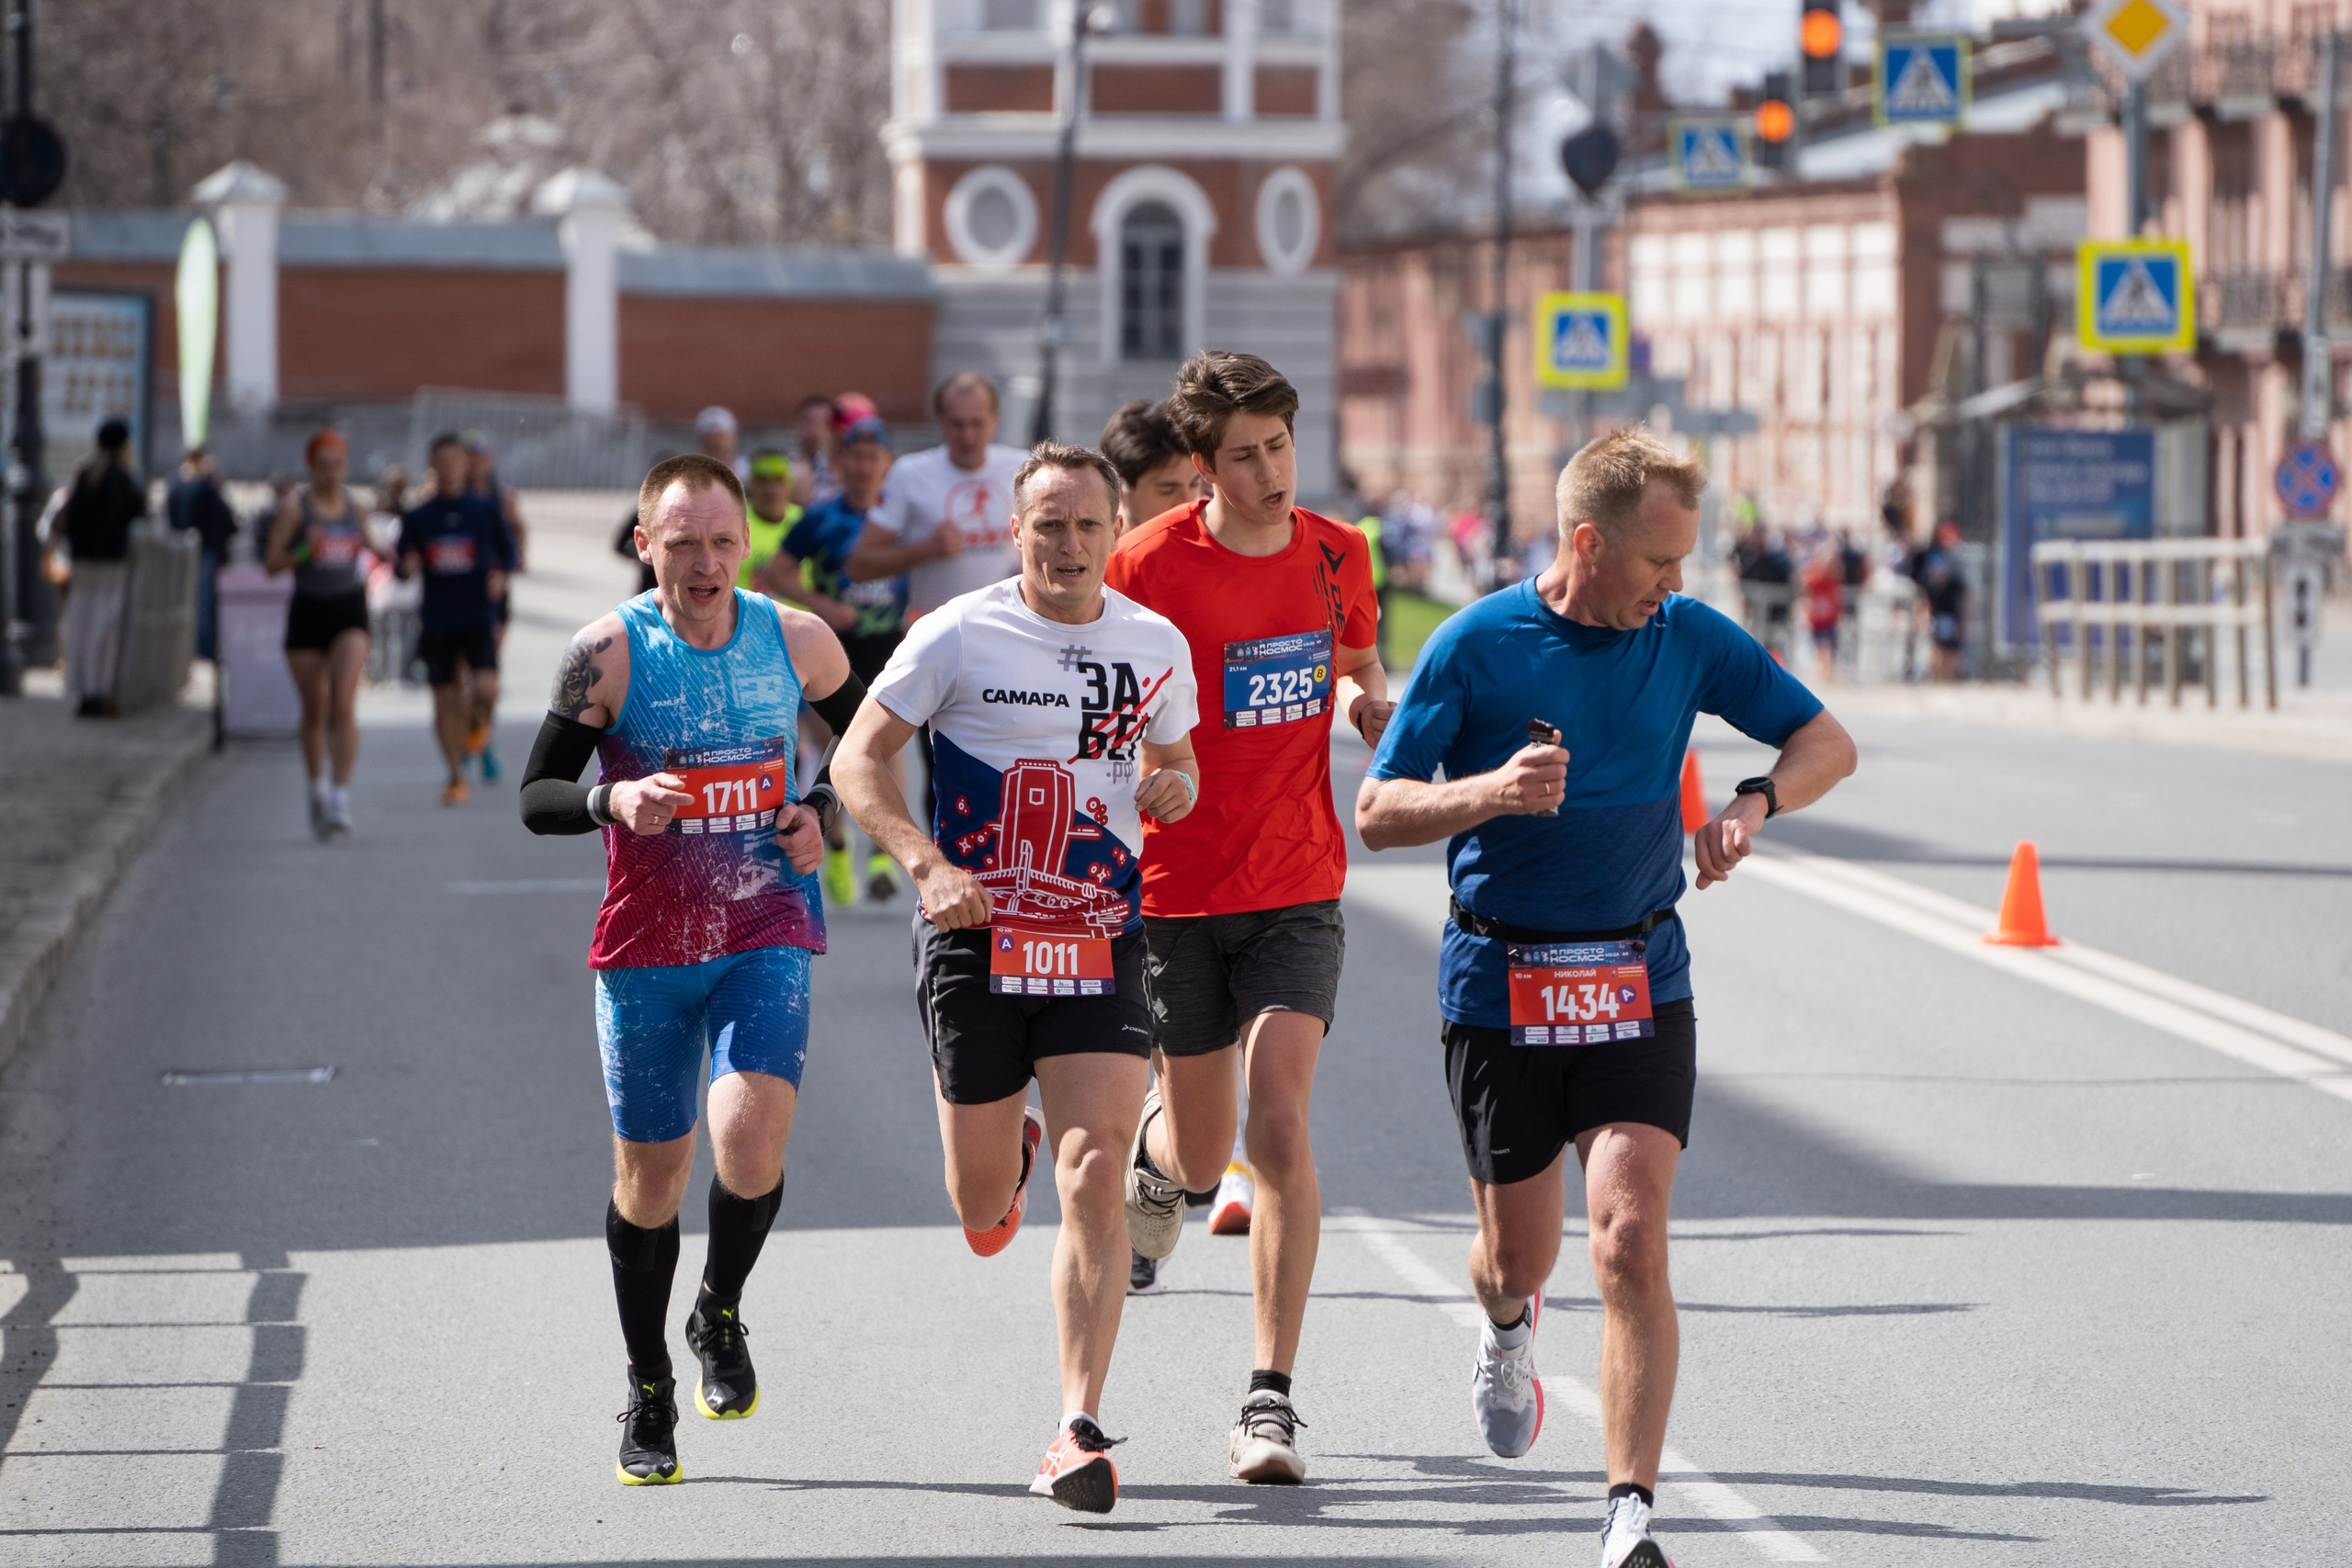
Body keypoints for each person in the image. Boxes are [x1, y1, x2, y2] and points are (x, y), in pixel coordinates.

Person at [1355, 427, 1856, 1568]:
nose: (1675, 588)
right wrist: (1487, 791)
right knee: (1516, 1260)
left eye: (1685, 565)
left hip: (1635, 973)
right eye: (1657, 564)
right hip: (1499, 980)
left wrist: (1755, 801)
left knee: (1629, 1240)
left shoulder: (1685, 637)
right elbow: (1378, 814)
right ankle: (1504, 1327)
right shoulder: (1475, 645)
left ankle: (1628, 1511)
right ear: (1588, 543)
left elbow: (1827, 739)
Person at [831, 442, 1201, 1516]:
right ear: (1015, 529)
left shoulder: (1153, 643)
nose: (1070, 545)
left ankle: (1075, 1427)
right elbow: (859, 758)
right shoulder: (956, 631)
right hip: (975, 938)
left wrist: (1170, 790)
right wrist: (926, 864)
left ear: (1113, 532)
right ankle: (1005, 1154)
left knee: (1094, 1180)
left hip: (1098, 938)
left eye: (1090, 526)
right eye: (1049, 525)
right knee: (984, 1203)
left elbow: (1177, 765)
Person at [518, 452, 861, 1486]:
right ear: (643, 547)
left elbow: (870, 755)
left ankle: (717, 1310)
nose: (704, 562)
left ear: (745, 542)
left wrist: (825, 818)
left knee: (749, 1142)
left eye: (720, 541)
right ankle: (647, 1382)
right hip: (647, 953)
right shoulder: (606, 654)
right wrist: (605, 802)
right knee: (653, 1181)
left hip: (764, 930)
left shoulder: (798, 640)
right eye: (681, 544)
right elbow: (537, 790)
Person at [1102, 351, 1386, 1483]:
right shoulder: (1145, 563)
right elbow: (1099, 700)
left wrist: (1372, 702)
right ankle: (1158, 1163)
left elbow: (1362, 660)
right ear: (1201, 467)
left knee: (1279, 1125)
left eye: (1280, 446)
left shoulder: (1337, 553)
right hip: (1173, 889)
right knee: (1206, 1142)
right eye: (1243, 457)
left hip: (1296, 883)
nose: (1270, 472)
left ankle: (1269, 1401)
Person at [763, 415, 907, 906]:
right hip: (838, 648)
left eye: (875, 457)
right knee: (839, 747)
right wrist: (820, 605)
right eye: (857, 456)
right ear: (841, 463)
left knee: (890, 746)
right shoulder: (822, 518)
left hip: (890, 641)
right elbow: (776, 571)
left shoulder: (903, 518)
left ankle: (885, 856)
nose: (865, 466)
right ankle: (840, 844)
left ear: (888, 464)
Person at [265, 431, 377, 837]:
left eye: (338, 464)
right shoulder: (297, 508)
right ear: (310, 467)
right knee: (315, 710)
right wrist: (303, 552)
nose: (331, 472)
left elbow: (371, 546)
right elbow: (271, 564)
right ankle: (316, 787)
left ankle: (340, 795)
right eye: (323, 464)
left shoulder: (355, 506)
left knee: (343, 704)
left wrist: (390, 554)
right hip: (308, 612)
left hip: (349, 609)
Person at [396, 434, 515, 806]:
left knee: (485, 689)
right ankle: (454, 775)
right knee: (445, 700)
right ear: (432, 465)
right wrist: (407, 565)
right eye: (441, 460)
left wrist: (500, 576)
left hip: (477, 614)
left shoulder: (484, 509)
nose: (448, 467)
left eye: (455, 459)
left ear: (466, 464)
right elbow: (400, 564)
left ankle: (477, 727)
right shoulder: (418, 516)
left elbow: (509, 553)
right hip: (438, 620)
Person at [845, 370, 1024, 615]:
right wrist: (926, 549)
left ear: (996, 421)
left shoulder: (1024, 468)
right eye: (957, 424)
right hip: (936, 628)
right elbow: (859, 566)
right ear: (939, 421)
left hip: (1005, 626)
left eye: (977, 423)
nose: (967, 435)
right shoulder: (909, 473)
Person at [58, 418, 147, 717]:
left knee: (79, 623)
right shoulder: (120, 476)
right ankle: (99, 689)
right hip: (111, 562)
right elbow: (138, 508)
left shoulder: (85, 474)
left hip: (82, 561)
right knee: (105, 629)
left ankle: (79, 689)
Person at [165, 445, 237, 662]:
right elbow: (227, 521)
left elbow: (172, 518)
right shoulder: (206, 487)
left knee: (183, 604)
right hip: (206, 551)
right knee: (204, 607)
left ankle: (184, 651)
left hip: (180, 552)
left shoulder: (175, 484)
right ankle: (204, 652)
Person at [1099, 398, 1209, 537]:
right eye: (1167, 490)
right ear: (1118, 487)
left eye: (1194, 484)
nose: (1186, 502)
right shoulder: (1089, 553)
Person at [1911, 520, 1967, 682]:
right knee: (1939, 650)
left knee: (1951, 652)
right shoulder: (1936, 556)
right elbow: (1929, 587)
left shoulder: (1956, 559)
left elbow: (1963, 592)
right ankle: (1939, 681)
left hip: (1951, 611)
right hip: (1940, 610)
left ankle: (1947, 681)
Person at [741, 451, 802, 592]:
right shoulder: (735, 521)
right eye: (763, 481)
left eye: (778, 480)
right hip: (748, 612)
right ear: (751, 484)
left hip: (798, 612)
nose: (771, 489)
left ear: (790, 483)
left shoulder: (804, 522)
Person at [791, 394, 839, 508]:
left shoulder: (842, 474)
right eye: (808, 422)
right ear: (796, 424)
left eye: (822, 423)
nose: (814, 431)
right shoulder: (785, 468)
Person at [696, 406, 745, 480]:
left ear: (733, 437)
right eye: (710, 436)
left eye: (721, 436)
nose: (716, 441)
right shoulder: (693, 474)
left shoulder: (747, 471)